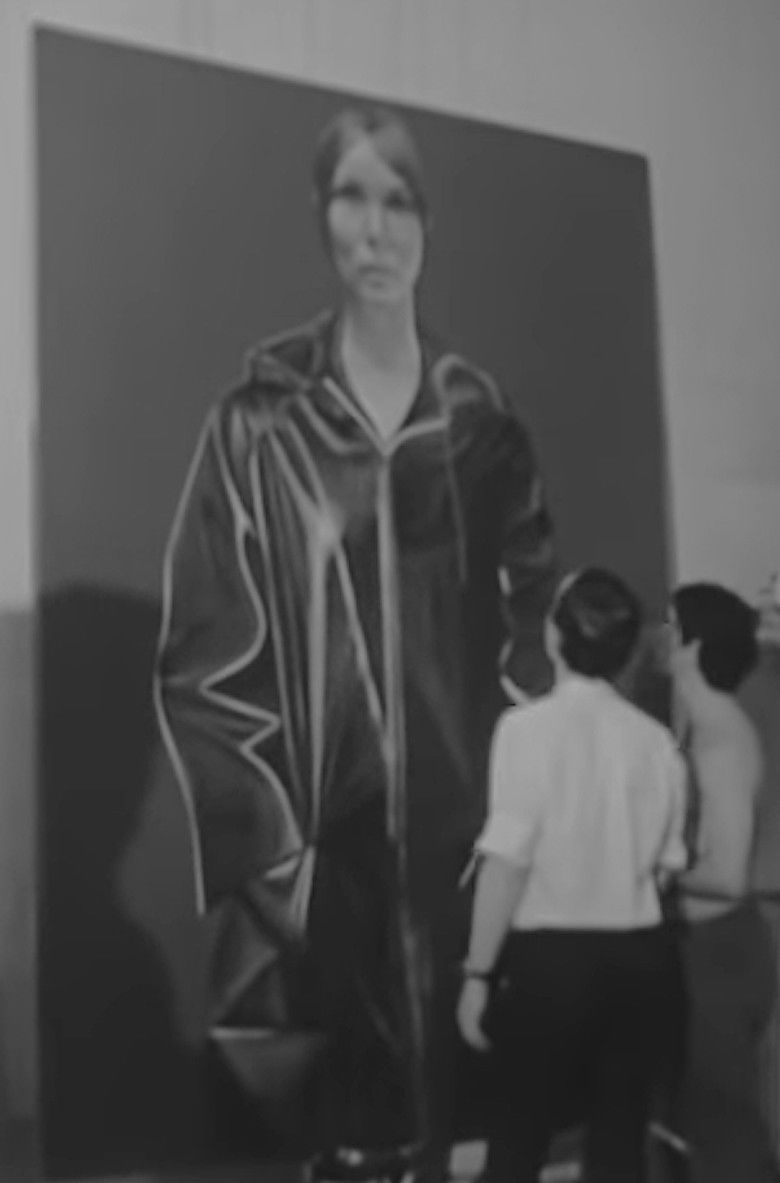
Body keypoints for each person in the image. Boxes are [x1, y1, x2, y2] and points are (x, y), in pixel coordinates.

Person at [153, 103, 556, 1182]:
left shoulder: (483, 428)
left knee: (463, 1136)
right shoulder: (256, 426)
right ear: (319, 214)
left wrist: (508, 823)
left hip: (465, 872)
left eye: (398, 201)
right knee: (336, 1143)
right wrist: (282, 870)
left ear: (428, 223)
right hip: (319, 895)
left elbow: (537, 628)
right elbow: (201, 661)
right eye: (352, 198)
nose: (375, 231)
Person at [456, 567, 687, 1183]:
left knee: (517, 1142)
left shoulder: (524, 731)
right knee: (619, 1147)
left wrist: (478, 974)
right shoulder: (657, 742)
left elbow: (506, 863)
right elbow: (666, 870)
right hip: (640, 962)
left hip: (550, 965)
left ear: (556, 637)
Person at [667, 582, 780, 1183]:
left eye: (670, 624)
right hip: (703, 947)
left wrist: (653, 868)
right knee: (705, 1122)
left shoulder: (721, 742)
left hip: (721, 951)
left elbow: (728, 875)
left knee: (725, 1126)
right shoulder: (698, 730)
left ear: (693, 645)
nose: (658, 636)